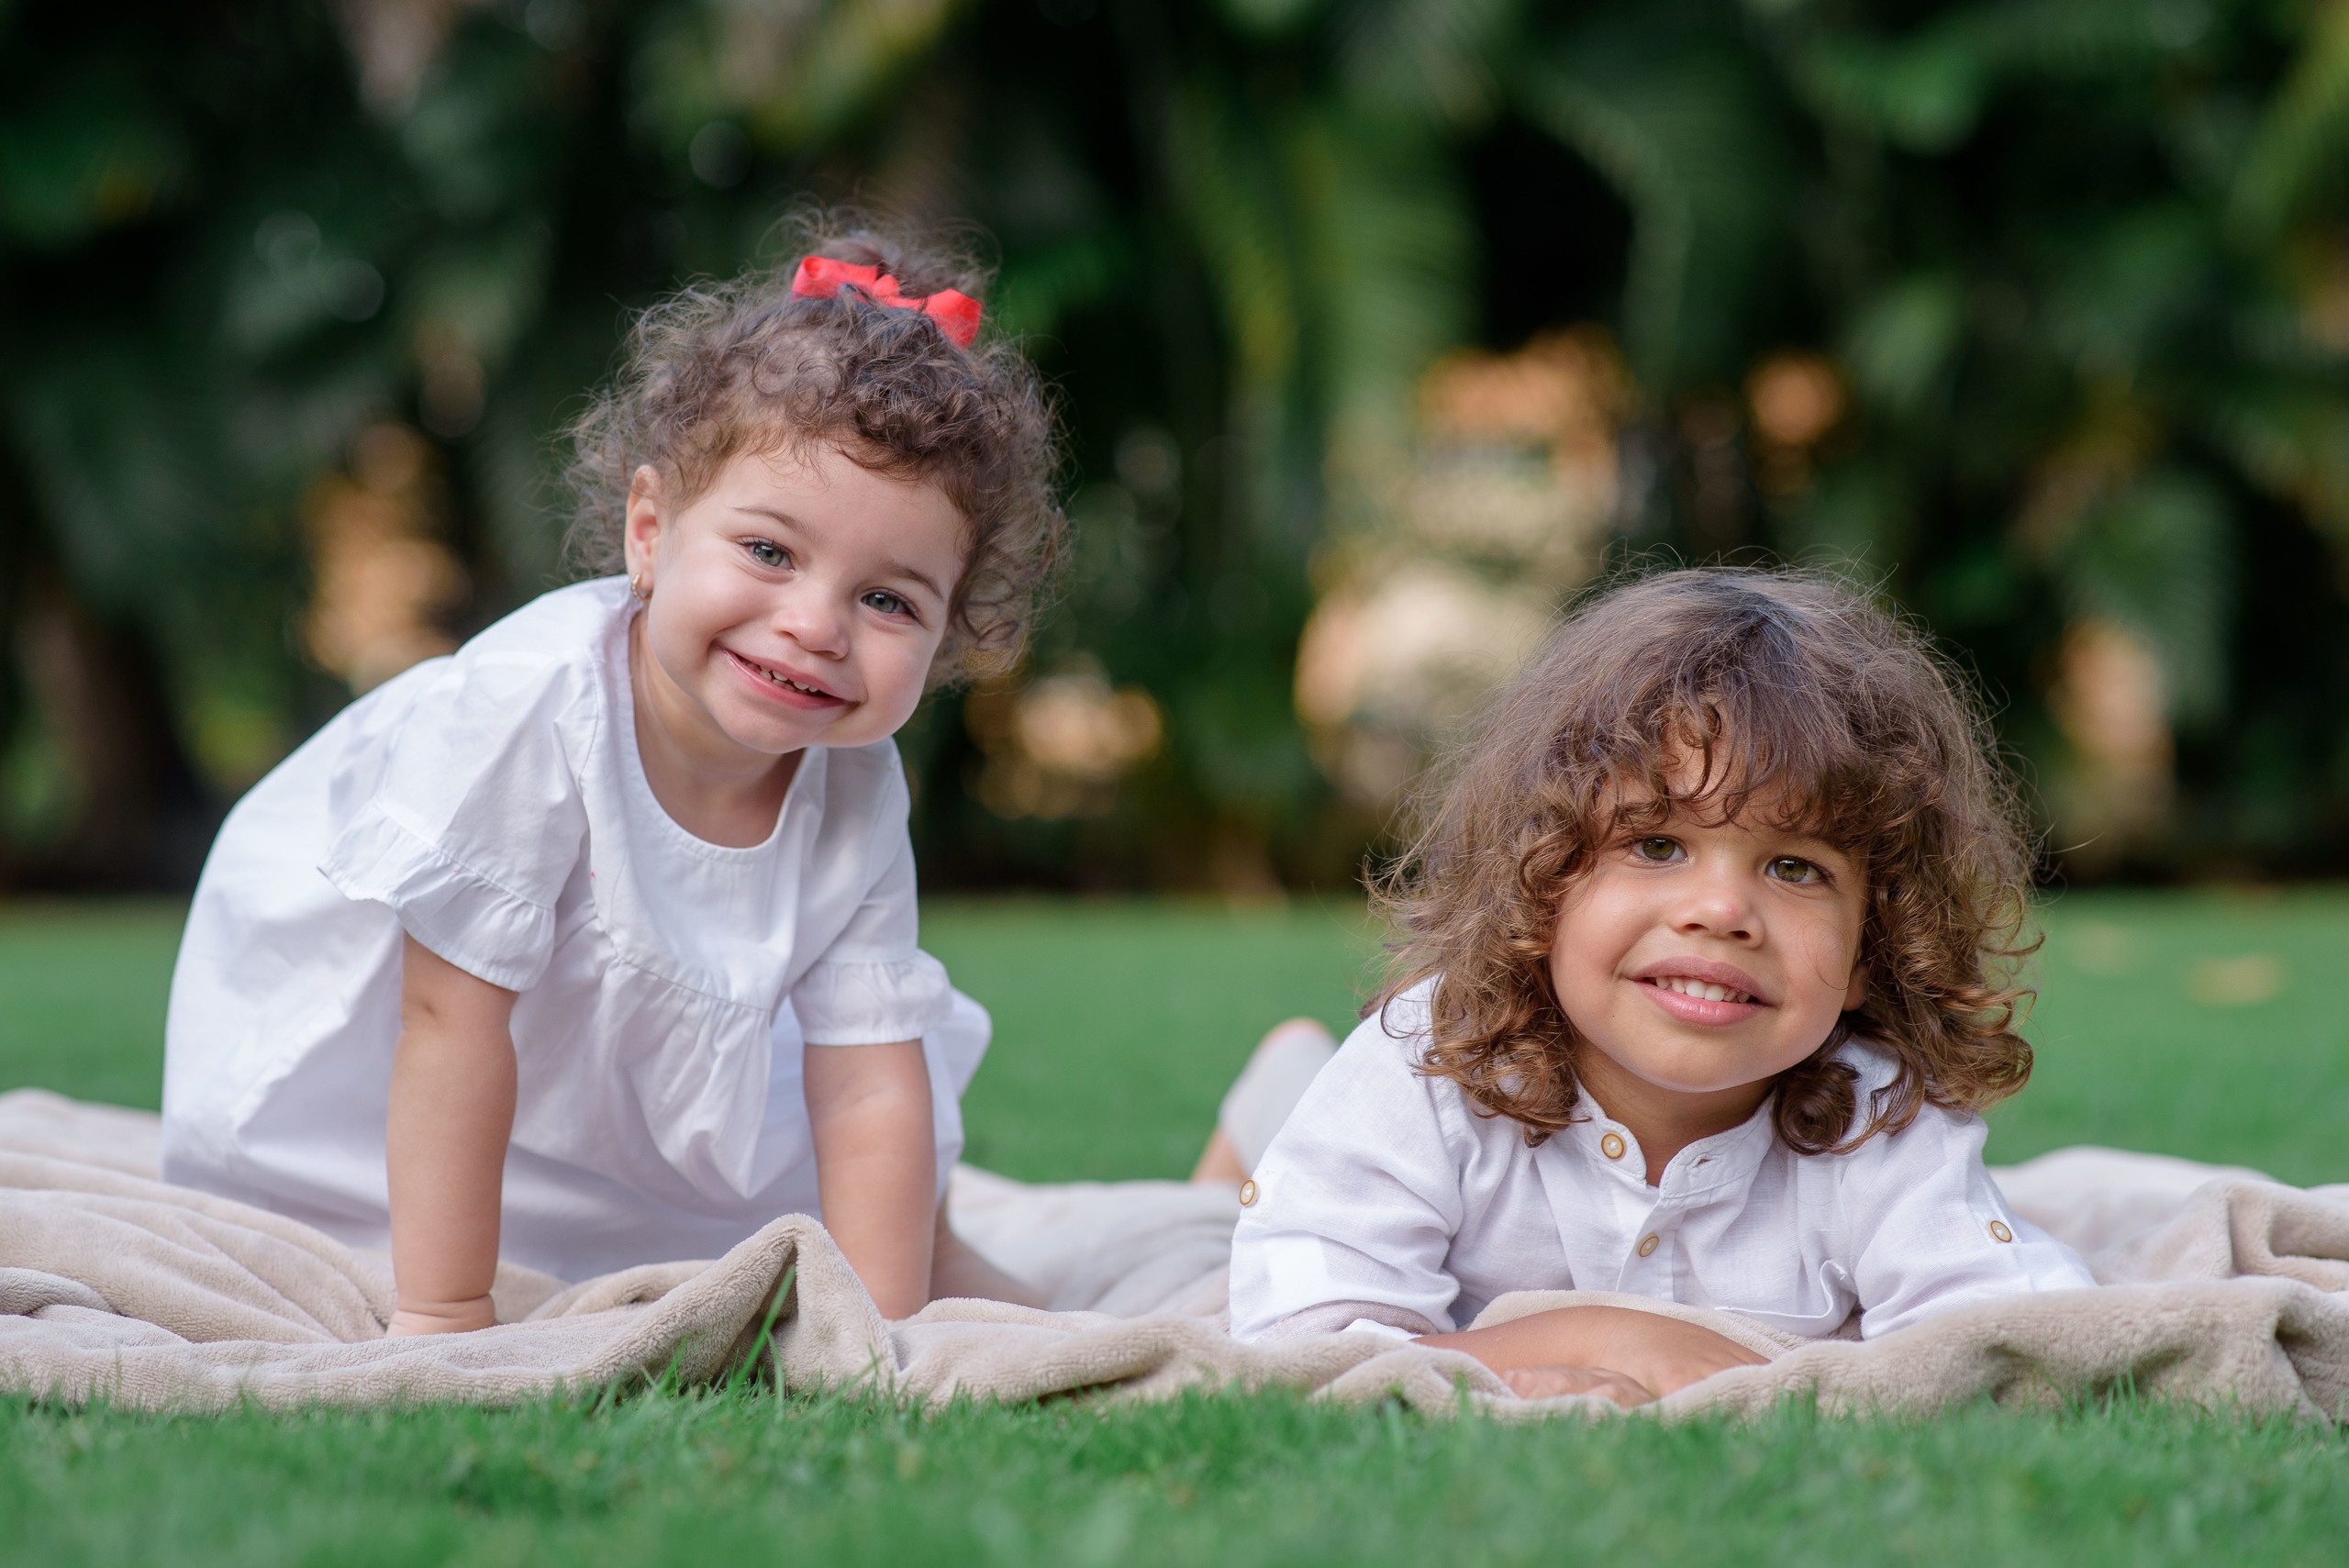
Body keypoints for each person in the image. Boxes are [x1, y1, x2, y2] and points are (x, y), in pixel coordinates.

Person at [161, 218, 1058, 1333]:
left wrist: (875, 1339)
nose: (816, 624)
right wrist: (444, 1318)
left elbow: (867, 1080)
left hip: (609, 1099)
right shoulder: (531, 709)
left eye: (889, 600)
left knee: (886, 1154)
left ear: (949, 636)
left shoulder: (858, 782)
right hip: (372, 1101)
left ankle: (936, 1249)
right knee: (423, 1211)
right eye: (770, 552)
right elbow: (446, 1025)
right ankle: (449, 1266)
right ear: (648, 531)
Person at [1224, 568, 2097, 1405]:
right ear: (1545, 874)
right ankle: (1276, 1089)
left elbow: (2014, 1338)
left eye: (1794, 866)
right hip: (1361, 1108)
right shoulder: (1424, 1065)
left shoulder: (1883, 1118)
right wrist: (1599, 1338)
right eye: (1656, 845)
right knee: (1275, 1143)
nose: (1721, 910)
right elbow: (1301, 1344)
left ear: (1876, 942)